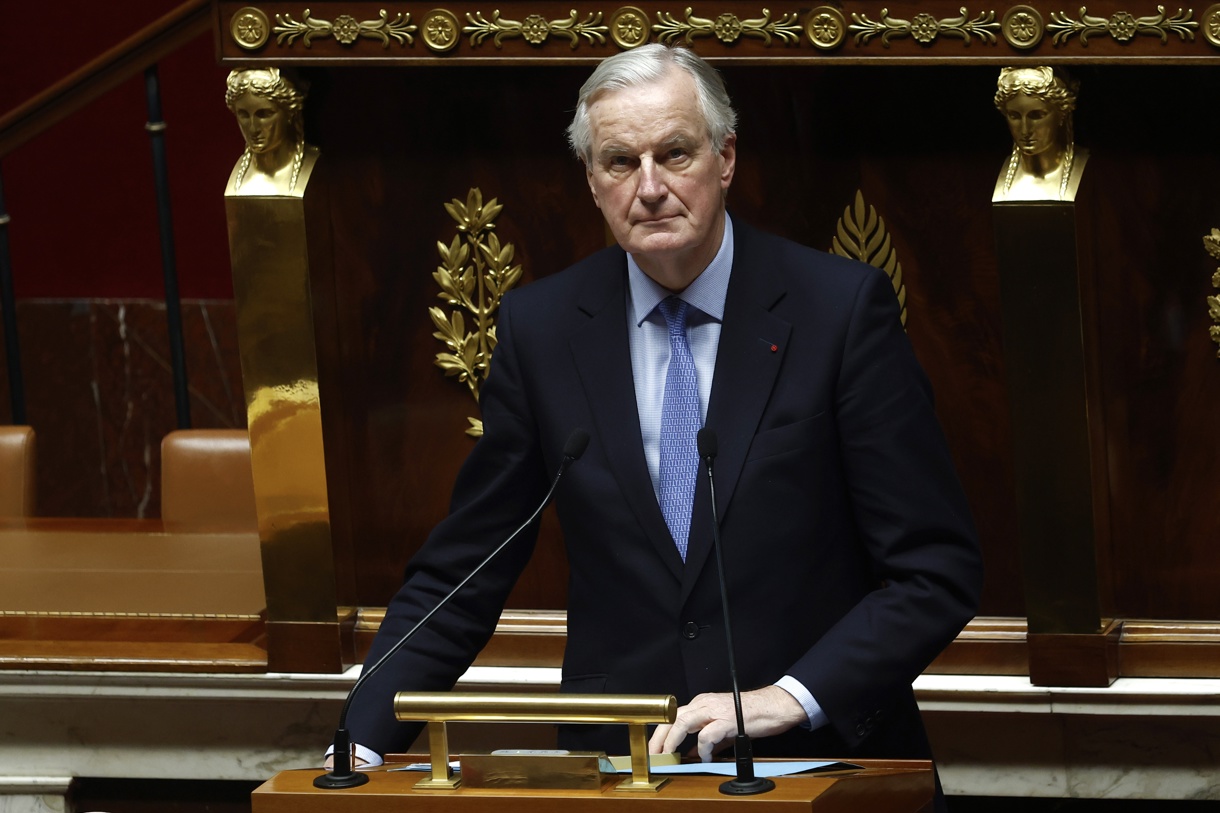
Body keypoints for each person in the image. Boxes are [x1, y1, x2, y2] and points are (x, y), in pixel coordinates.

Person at [339, 43, 982, 806]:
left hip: (821, 761)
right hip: (623, 768)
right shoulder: (543, 330)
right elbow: (463, 571)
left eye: (674, 153)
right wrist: (359, 742)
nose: (649, 188)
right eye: (619, 162)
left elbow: (935, 570)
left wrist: (793, 693)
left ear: (725, 157)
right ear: (591, 180)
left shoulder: (838, 311)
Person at [993, 65, 1088, 202]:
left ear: (1062, 114)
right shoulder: (996, 174)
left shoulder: (1086, 166)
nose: (1025, 130)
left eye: (1037, 115)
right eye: (1014, 116)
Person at [224, 67, 319, 196]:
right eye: (244, 114)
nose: (253, 128)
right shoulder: (238, 176)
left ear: (290, 113)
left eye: (264, 114)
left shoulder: (312, 165)